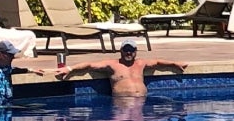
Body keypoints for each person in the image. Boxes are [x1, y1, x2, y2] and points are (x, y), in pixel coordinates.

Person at [55, 42, 184, 97]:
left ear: (135, 51)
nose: (129, 53)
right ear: (121, 51)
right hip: (122, 103)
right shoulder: (112, 64)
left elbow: (158, 62)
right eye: (126, 50)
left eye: (131, 50)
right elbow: (89, 65)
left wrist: (174, 63)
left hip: (142, 101)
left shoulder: (141, 63)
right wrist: (69, 68)